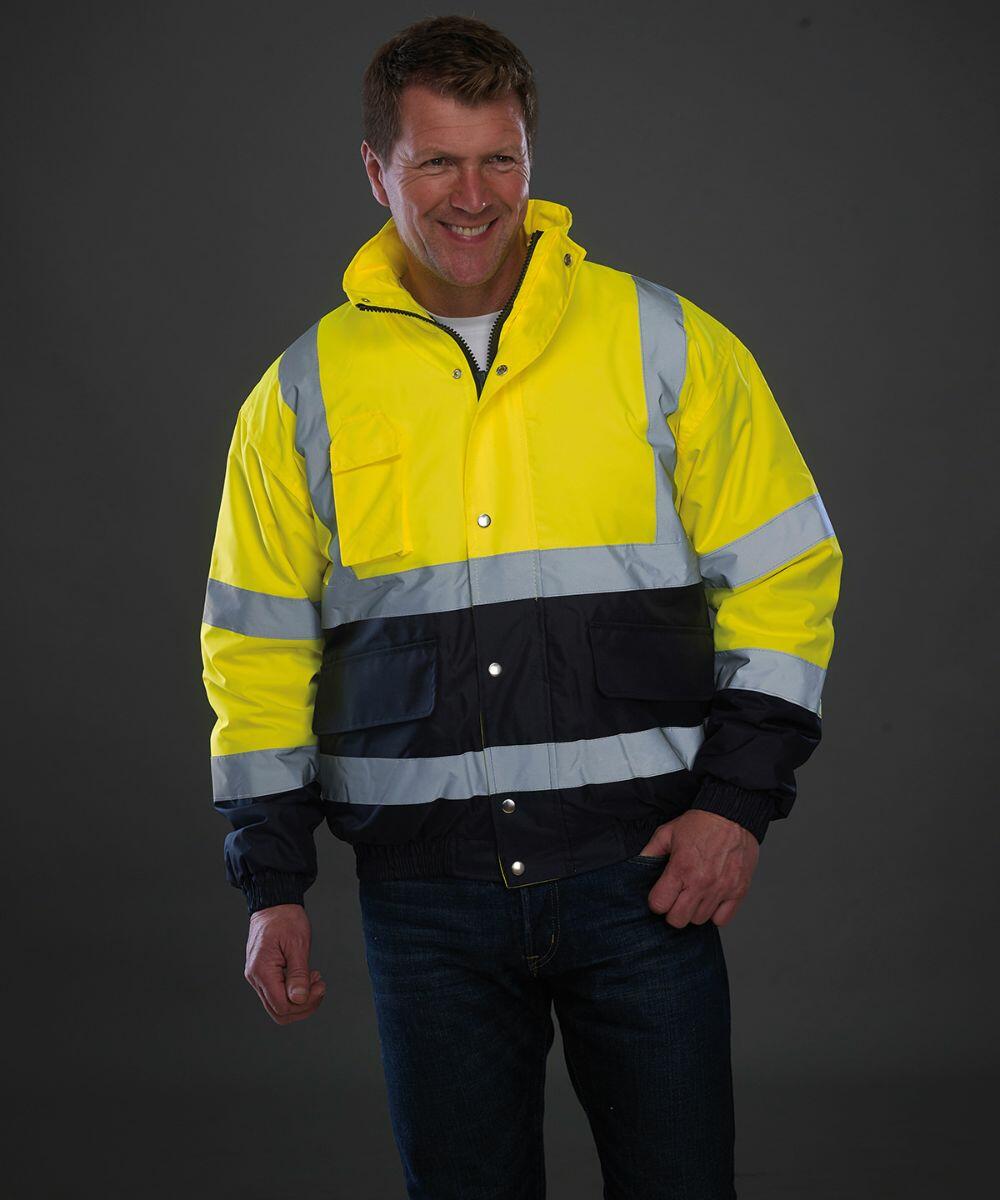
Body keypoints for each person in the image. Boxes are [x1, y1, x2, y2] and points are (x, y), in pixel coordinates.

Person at [200, 14, 843, 1199]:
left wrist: (736, 806)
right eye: (436, 160)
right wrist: (272, 885)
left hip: (640, 883)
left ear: (532, 160)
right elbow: (254, 645)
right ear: (375, 169)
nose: (471, 194)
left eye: (500, 157)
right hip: (425, 906)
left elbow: (787, 575)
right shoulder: (301, 394)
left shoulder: (665, 345)